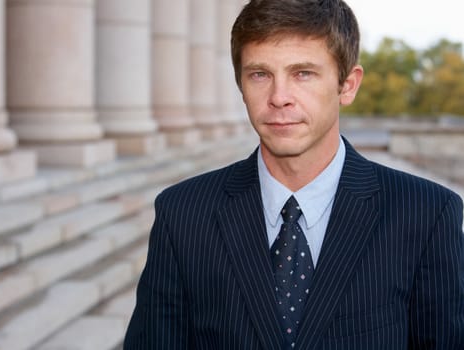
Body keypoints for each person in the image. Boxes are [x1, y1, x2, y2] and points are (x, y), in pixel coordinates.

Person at [124, 0, 464, 348]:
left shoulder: (426, 215)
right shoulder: (182, 214)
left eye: (303, 73)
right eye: (260, 74)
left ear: (348, 85)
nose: (278, 97)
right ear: (241, 84)